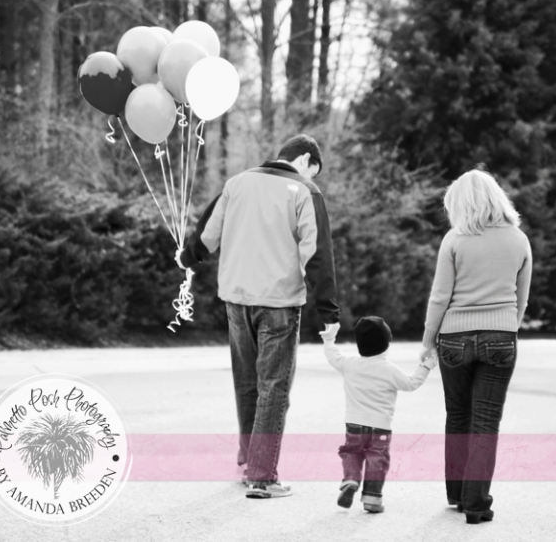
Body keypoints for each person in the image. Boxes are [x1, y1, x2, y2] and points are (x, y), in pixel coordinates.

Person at [176, 134, 340, 499]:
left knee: (247, 383)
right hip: (279, 303)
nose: (314, 177)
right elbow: (317, 255)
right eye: (315, 170)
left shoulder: (238, 183)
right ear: (307, 160)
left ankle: (250, 460)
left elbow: (206, 237)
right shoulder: (305, 191)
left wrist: (188, 257)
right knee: (274, 388)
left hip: (236, 300)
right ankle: (262, 476)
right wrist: (328, 309)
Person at [421, 167, 532, 524]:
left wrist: (428, 339)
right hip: (501, 338)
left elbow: (440, 297)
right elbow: (522, 299)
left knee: (457, 416)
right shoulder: (519, 239)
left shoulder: (455, 239)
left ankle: (456, 493)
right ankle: (477, 503)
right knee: (486, 421)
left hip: (454, 339)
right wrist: (505, 331)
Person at [320, 316, 436, 513]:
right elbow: (411, 384)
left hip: (354, 424)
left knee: (351, 452)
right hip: (381, 426)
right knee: (377, 458)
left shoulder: (349, 364)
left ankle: (350, 479)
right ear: (387, 343)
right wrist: (425, 366)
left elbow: (332, 355)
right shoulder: (389, 370)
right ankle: (372, 499)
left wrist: (329, 339)